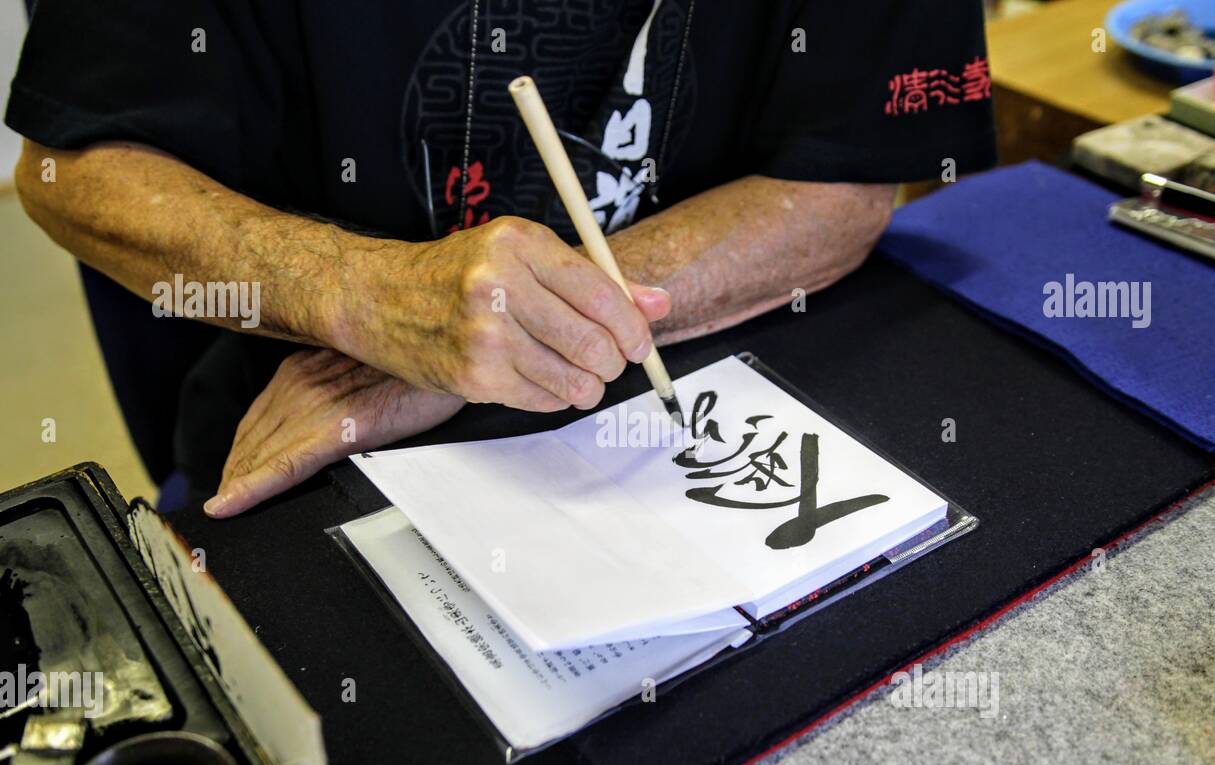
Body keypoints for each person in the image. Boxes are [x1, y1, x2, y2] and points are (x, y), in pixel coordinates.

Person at [7, 0, 996, 516]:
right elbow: (73, 167)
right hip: (312, 417)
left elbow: (847, 184)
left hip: (692, 396)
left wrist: (529, 323)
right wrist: (367, 296)